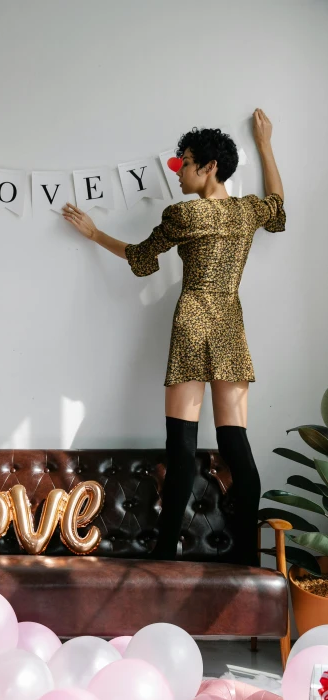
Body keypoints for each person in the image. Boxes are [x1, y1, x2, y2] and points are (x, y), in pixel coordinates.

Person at [61, 108, 286, 565]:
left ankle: (164, 558)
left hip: (191, 324)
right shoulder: (246, 212)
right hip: (229, 324)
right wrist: (265, 143)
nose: (178, 171)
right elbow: (278, 206)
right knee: (236, 447)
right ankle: (248, 563)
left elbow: (142, 257)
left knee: (180, 448)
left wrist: (95, 234)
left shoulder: (184, 215)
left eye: (184, 162)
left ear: (209, 167)